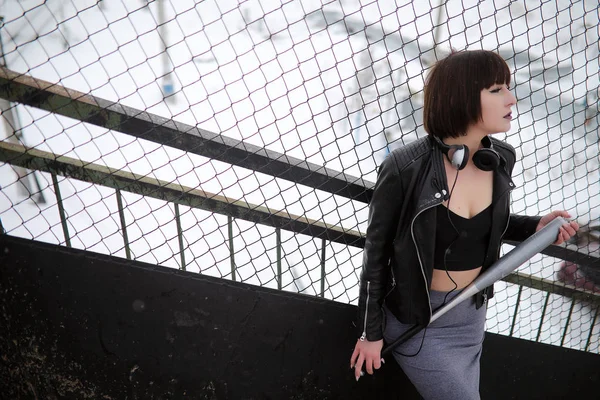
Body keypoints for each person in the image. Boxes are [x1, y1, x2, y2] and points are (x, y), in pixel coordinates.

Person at [349, 50, 579, 400]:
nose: (511, 98)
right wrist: (370, 332)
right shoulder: (406, 167)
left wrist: (534, 227)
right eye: (497, 89)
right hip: (421, 319)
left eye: (508, 88)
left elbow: (482, 227)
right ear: (463, 97)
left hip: (471, 314)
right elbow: (376, 255)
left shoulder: (499, 158)